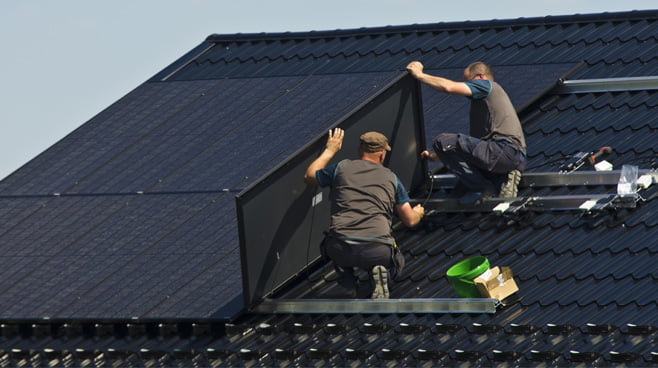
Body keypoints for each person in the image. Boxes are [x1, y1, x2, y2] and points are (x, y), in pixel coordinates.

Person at [304, 128, 425, 299]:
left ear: (360, 150)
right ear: (382, 155)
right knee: (396, 260)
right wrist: (418, 212)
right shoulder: (392, 178)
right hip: (377, 251)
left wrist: (330, 150)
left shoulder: (341, 168)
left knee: (328, 242)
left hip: (340, 248)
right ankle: (383, 277)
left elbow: (309, 176)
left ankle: (348, 282)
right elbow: (409, 220)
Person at [406, 61, 527, 201]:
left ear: (480, 76)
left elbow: (448, 87)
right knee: (459, 194)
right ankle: (503, 178)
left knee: (442, 141)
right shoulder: (487, 108)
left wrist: (419, 75)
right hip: (511, 157)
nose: (468, 86)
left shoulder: (487, 85)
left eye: (469, 81)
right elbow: (470, 149)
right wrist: (437, 156)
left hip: (503, 151)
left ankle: (483, 188)